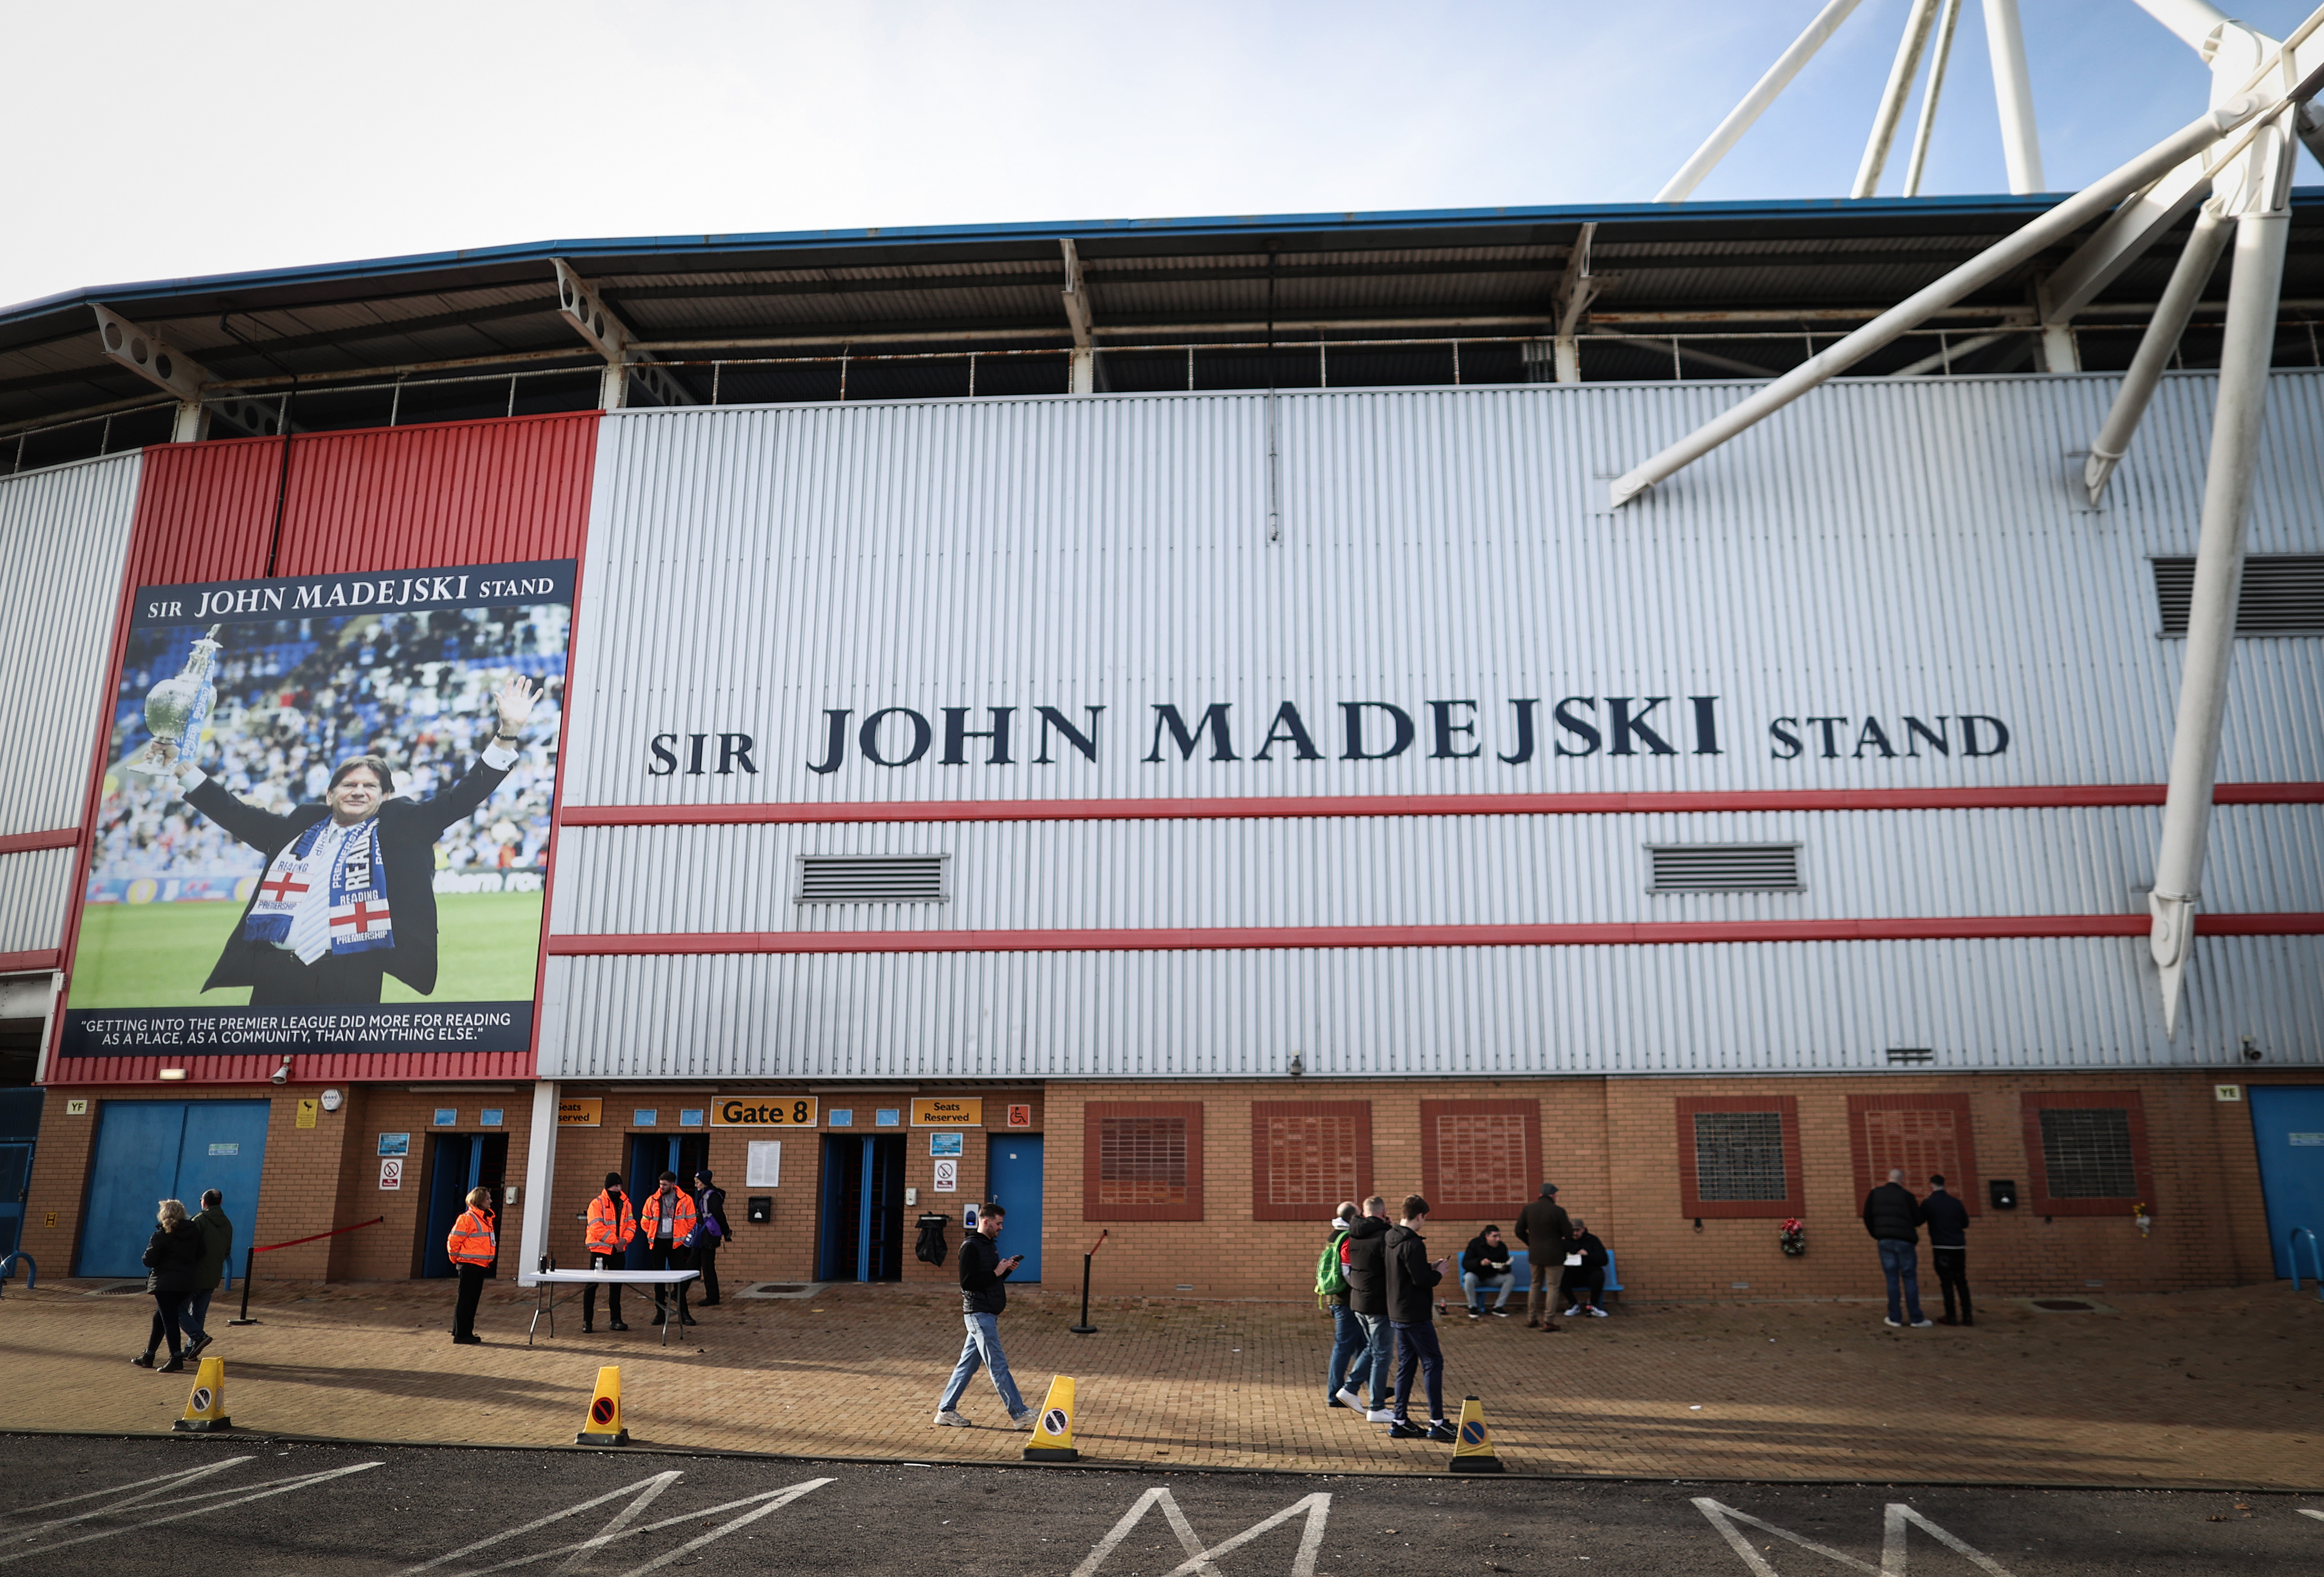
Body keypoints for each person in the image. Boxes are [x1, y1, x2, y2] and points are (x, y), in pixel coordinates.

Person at [162, 676, 537, 1005]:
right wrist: (181, 766)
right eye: (349, 785)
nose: (358, 791)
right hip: (275, 974)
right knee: (265, 1067)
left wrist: (506, 735)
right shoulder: (299, 825)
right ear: (329, 795)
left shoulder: (401, 828)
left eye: (369, 786)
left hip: (351, 974)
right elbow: (236, 814)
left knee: (339, 1074)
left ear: (385, 797)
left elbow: (462, 798)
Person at [934, 1201, 1033, 1428]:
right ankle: (1020, 1414)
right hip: (979, 1314)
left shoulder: (990, 1245)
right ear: (986, 1221)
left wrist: (1004, 1272)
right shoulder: (970, 1246)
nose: (1001, 1228)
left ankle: (945, 1411)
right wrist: (996, 1271)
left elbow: (989, 1280)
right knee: (998, 1365)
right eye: (998, 1224)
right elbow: (968, 1283)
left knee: (967, 1365)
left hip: (987, 1312)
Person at [1383, 1194, 1456, 1443]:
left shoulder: (1391, 1238)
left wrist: (1429, 1267)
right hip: (1415, 1314)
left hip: (1397, 1312)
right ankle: (1437, 1422)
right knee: (1433, 1362)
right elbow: (1421, 1281)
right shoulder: (1414, 1243)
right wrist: (1439, 1274)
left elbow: (1408, 1271)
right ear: (1421, 1216)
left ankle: (1399, 1420)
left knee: (1407, 1365)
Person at [1334, 1195, 1397, 1423]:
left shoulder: (1355, 1233)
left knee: (1373, 1347)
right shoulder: (1384, 1236)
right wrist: (1390, 1228)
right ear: (1383, 1213)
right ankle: (1377, 1407)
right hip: (1379, 1303)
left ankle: (1350, 1389)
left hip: (1359, 1301)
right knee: (1383, 1354)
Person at [134, 1199, 203, 1373]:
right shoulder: (193, 1233)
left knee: (169, 1320)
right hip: (187, 1282)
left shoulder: (161, 1236)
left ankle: (176, 1357)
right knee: (160, 1318)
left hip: (165, 1283)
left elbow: (148, 1260)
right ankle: (149, 1356)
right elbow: (202, 1253)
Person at [1862, 1167, 1932, 1329]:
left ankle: (1895, 1318)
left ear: (1888, 1178)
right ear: (1902, 1181)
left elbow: (1867, 1216)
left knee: (1892, 1279)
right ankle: (1916, 1318)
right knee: (1910, 1278)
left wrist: (1877, 1233)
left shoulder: (1875, 1194)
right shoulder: (1907, 1196)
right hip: (1905, 1241)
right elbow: (1918, 1220)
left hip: (1885, 1241)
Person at [1320, 1202, 1366, 1407]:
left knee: (1362, 1346)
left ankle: (1377, 1389)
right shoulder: (1347, 1237)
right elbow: (1347, 1272)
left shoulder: (1334, 1235)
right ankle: (1333, 1393)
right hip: (1346, 1302)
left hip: (1337, 1299)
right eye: (1359, 1215)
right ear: (1352, 1217)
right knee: (1344, 1347)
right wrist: (1361, 1290)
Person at [639, 1171, 699, 1327]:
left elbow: (692, 1220)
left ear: (673, 1184)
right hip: (657, 1243)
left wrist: (682, 1234)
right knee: (658, 1281)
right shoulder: (652, 1200)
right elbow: (645, 1220)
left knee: (679, 1280)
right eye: (660, 1184)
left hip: (675, 1244)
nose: (662, 1187)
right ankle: (660, 1313)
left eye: (665, 1185)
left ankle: (684, 1313)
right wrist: (650, 1233)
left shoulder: (685, 1200)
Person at [181, 1188, 233, 1359]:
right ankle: (191, 1349)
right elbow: (227, 1250)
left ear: (204, 1202)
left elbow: (189, 1246)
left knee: (177, 1309)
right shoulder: (227, 1224)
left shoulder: (199, 1220)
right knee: (199, 1312)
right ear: (221, 1203)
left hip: (194, 1274)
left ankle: (197, 1338)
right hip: (213, 1275)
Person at [1514, 1181, 1572, 1330]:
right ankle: (1549, 1321)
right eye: (1556, 1195)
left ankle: (1532, 1318)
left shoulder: (1528, 1209)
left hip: (1535, 1255)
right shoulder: (1558, 1211)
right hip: (1554, 1255)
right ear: (1552, 1195)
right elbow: (1569, 1234)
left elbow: (1519, 1231)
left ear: (1540, 1194)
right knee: (1552, 1287)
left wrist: (1531, 1243)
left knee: (1535, 1285)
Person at [582, 1171, 635, 1334]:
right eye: (616, 1186)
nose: (619, 1188)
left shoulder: (625, 1203)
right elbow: (596, 1227)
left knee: (616, 1286)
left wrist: (624, 1241)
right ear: (608, 1186)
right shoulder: (597, 1204)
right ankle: (587, 1322)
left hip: (618, 1251)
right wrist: (616, 1241)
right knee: (592, 1286)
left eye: (620, 1186)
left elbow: (631, 1225)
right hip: (600, 1250)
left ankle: (616, 1320)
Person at [447, 1185, 497, 1344]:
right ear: (479, 1201)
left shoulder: (485, 1218)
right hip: (469, 1265)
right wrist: (455, 1259)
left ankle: (462, 1331)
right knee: (467, 1301)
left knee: (470, 1300)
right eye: (487, 1198)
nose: (490, 1201)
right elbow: (454, 1241)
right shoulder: (468, 1218)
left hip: (478, 1265)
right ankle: (462, 1334)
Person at [1922, 1172, 1973, 1327]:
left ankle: (1951, 1316)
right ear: (1945, 1185)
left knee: (1946, 1283)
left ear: (1931, 1185)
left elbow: (1919, 1219)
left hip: (1941, 1247)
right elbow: (1965, 1223)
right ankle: (1967, 1316)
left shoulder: (1929, 1203)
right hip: (1958, 1247)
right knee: (1961, 1282)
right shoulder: (1956, 1203)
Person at [691, 1167, 731, 1307]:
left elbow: (719, 1215)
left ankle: (713, 1297)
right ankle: (679, 1292)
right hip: (704, 1235)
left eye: (698, 1182)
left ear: (705, 1182)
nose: (696, 1185)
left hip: (709, 1236)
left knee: (707, 1267)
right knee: (693, 1264)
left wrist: (726, 1232)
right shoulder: (706, 1195)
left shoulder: (711, 1196)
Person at [1459, 1225, 1516, 1319]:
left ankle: (1498, 1307)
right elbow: (1466, 1264)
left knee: (1510, 1278)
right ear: (1487, 1236)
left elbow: (1508, 1266)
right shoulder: (1475, 1244)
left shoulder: (1501, 1247)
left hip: (1493, 1277)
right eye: (1495, 1236)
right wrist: (1480, 1263)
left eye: (1499, 1236)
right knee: (1468, 1277)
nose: (1498, 1239)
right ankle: (1473, 1307)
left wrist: (1504, 1268)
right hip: (1477, 1277)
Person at [1560, 1217, 1612, 1317]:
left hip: (1589, 1274)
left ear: (1584, 1229)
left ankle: (1594, 1305)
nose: (1575, 1234)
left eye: (1577, 1231)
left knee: (1598, 1275)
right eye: (1572, 1231)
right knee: (1559, 1278)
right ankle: (1574, 1304)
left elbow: (1604, 1260)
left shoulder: (1593, 1240)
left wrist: (1588, 1254)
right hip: (1573, 1273)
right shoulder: (1566, 1242)